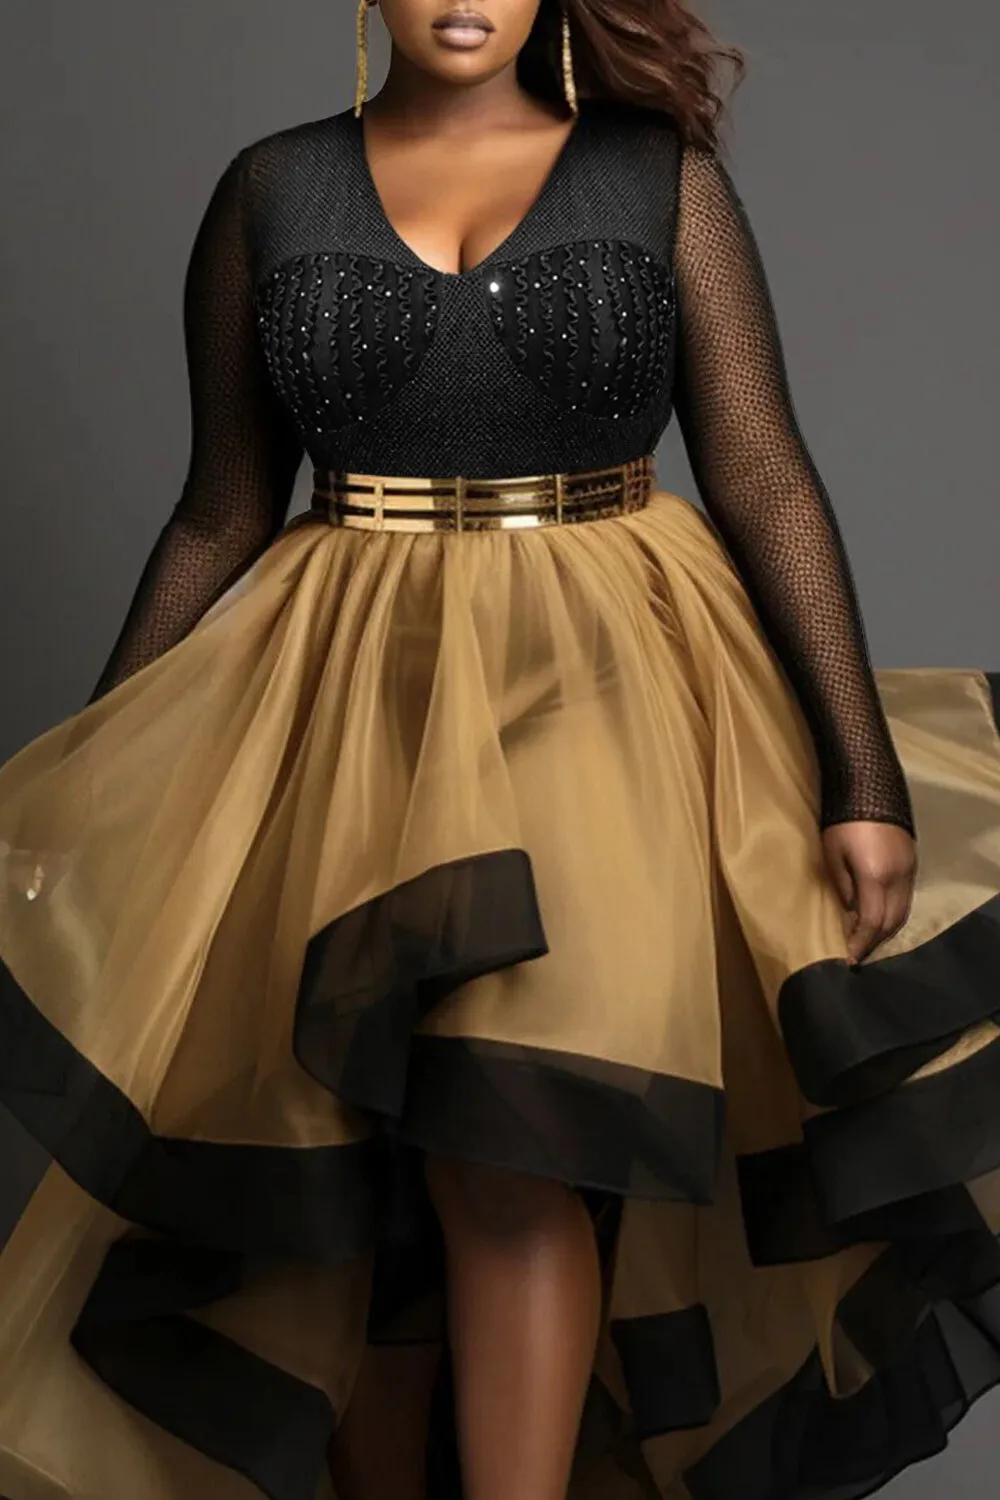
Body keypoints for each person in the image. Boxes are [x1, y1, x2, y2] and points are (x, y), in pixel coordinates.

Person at [1, 2, 999, 1498]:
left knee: (516, 1145)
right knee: (358, 1174)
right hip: (356, 705)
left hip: (607, 688)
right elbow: (220, 510)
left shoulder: (658, 179)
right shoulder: (272, 186)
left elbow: (762, 472)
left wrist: (861, 774)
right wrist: (91, 779)